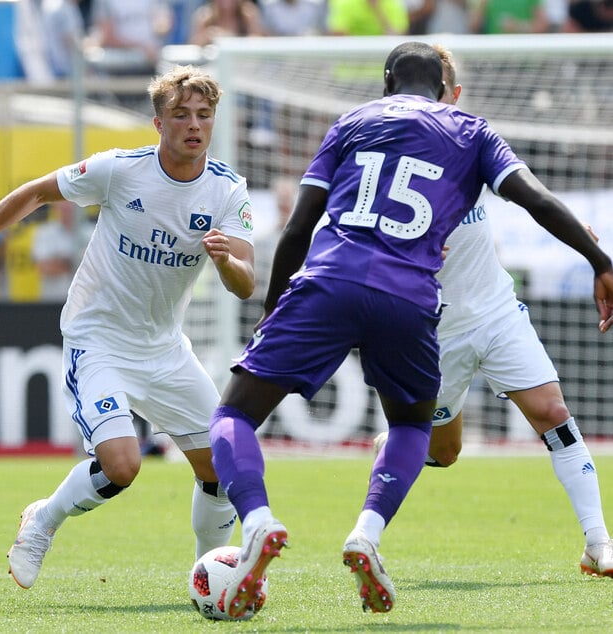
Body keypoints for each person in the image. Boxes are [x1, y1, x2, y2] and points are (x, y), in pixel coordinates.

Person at [207, 41, 613, 618]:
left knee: (235, 415)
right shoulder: (470, 135)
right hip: (421, 309)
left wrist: (271, 314)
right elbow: (537, 200)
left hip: (407, 295)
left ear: (386, 81)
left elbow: (298, 226)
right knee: (427, 441)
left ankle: (599, 541)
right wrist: (599, 259)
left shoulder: (354, 123)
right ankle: (369, 525)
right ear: (446, 89)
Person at [0, 65, 255, 590]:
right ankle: (43, 519)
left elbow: (246, 284)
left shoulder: (228, 192)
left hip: (164, 350)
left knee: (221, 467)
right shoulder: (119, 170)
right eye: (180, 114)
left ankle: (208, 578)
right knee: (122, 464)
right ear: (158, 122)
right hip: (99, 341)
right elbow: (35, 193)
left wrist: (227, 262)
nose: (194, 125)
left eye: (204, 115)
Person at [373, 43, 613, 578]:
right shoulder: (383, 154)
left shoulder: (470, 139)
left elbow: (530, 196)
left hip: (496, 311)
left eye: (448, 92)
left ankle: (599, 543)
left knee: (553, 413)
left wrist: (580, 239)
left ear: (453, 94)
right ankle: (384, 481)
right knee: (446, 451)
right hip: (434, 333)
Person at [31, 199, 92, 302]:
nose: (67, 208)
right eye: (63, 204)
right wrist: (77, 262)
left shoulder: (93, 232)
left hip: (84, 305)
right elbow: (43, 267)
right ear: (56, 207)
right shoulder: (44, 233)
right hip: (53, 303)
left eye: (71, 204)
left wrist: (60, 261)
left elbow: (98, 269)